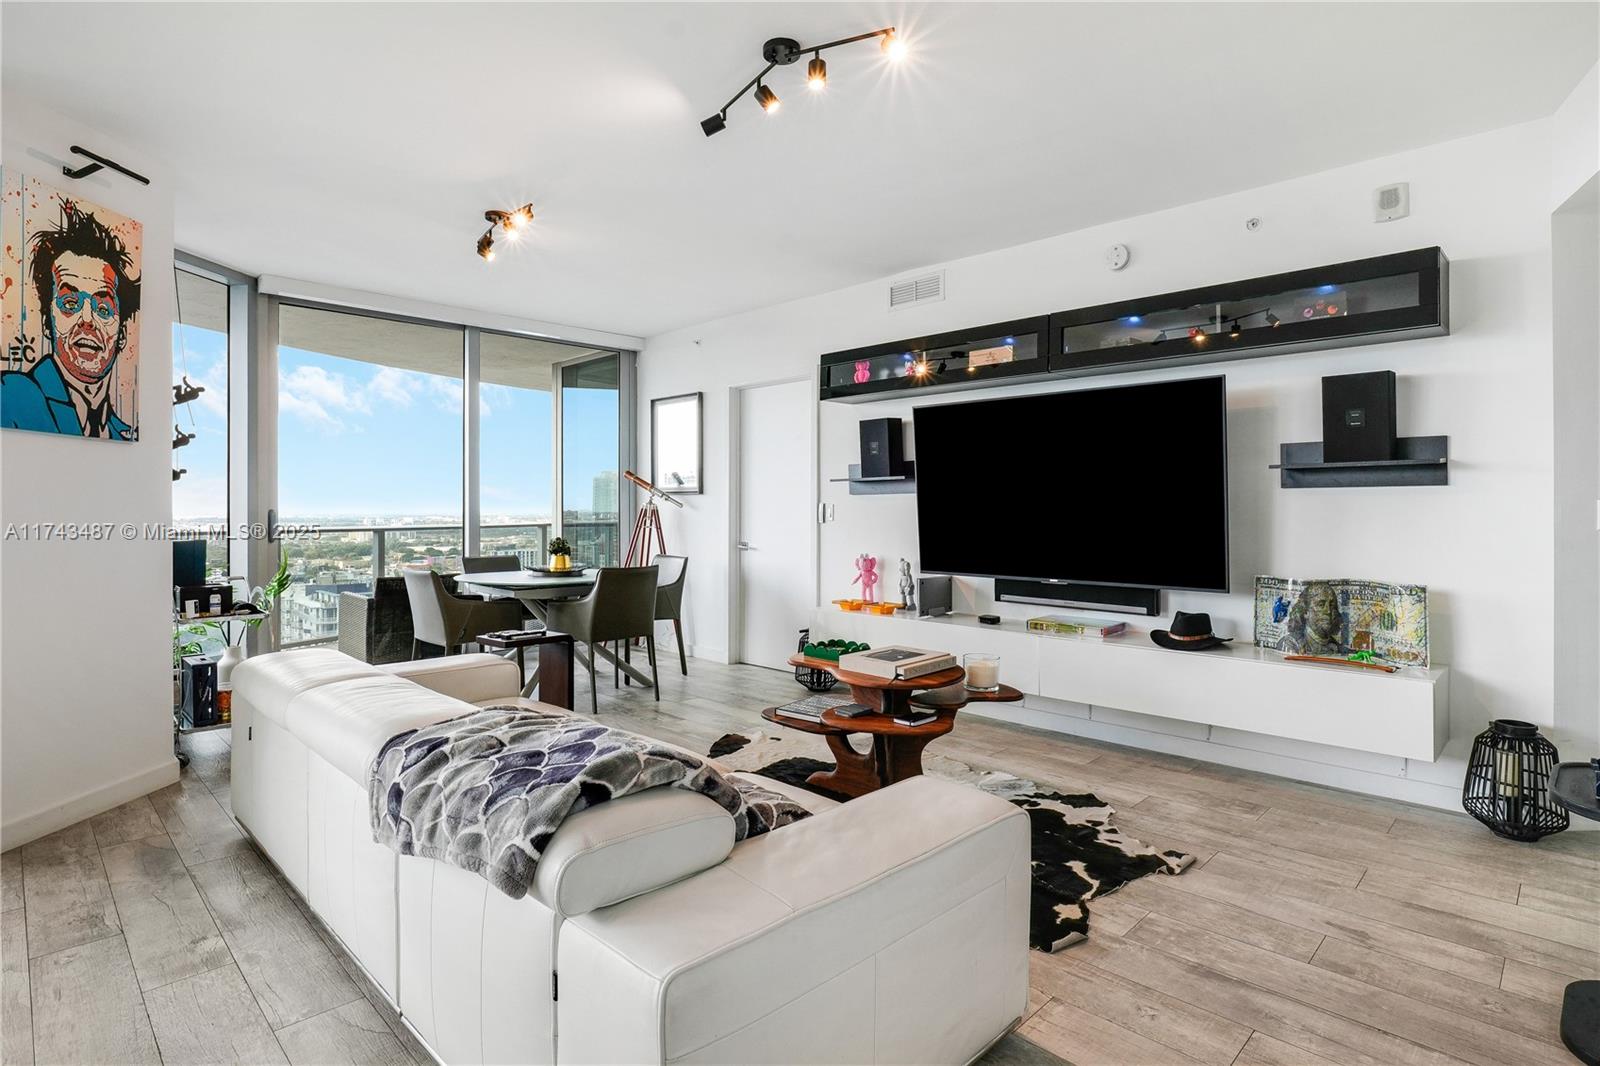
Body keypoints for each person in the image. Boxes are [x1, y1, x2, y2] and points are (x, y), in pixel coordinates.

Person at [2, 200, 140, 439]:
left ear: (122, 334)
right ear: (47, 322)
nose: (87, 320)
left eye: (103, 309)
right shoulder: (11, 396)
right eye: (70, 304)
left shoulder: (122, 432)